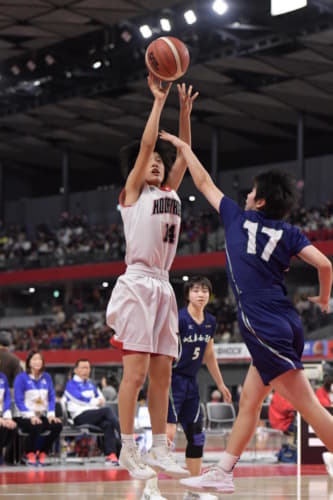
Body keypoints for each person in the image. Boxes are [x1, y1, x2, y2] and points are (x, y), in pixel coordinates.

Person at [160, 131, 333, 494]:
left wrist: (186, 148)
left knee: (309, 408)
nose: (247, 195)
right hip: (285, 320)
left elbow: (203, 180)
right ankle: (223, 471)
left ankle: (223, 471)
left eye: (252, 191)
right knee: (250, 402)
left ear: (260, 201)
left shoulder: (237, 218)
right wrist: (323, 298)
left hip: (262, 325)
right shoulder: (290, 232)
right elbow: (325, 265)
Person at [106, 74, 198, 481]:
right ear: (139, 170)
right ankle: (128, 448)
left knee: (163, 374)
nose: (157, 162)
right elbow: (147, 146)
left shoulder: (171, 192)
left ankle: (160, 448)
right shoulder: (132, 195)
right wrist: (159, 102)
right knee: (137, 374)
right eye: (151, 162)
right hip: (138, 283)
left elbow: (183, 154)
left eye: (160, 161)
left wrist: (185, 117)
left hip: (164, 285)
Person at [142, 276, 231, 500]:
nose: (200, 294)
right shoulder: (178, 319)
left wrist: (220, 383)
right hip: (172, 380)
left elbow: (209, 354)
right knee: (168, 434)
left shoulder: (210, 321)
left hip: (192, 382)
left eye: (204, 291)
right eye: (196, 290)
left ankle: (194, 491)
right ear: (187, 295)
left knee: (197, 437)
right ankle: (149, 489)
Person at [64, 358, 121, 465]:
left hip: (94, 415)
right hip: (79, 416)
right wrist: (94, 401)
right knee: (107, 411)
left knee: (108, 424)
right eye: (83, 368)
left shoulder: (91, 384)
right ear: (76, 370)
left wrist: (93, 401)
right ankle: (125, 435)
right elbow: (79, 399)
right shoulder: (71, 384)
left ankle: (111, 455)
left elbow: (102, 398)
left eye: (88, 368)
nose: (86, 370)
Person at [14, 350, 62, 466]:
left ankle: (43, 452)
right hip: (23, 416)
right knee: (36, 424)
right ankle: (29, 453)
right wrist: (31, 416)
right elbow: (19, 401)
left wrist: (51, 415)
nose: (37, 362)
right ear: (29, 362)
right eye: (34, 359)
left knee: (57, 426)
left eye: (39, 359)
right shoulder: (21, 378)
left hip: (41, 416)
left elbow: (51, 397)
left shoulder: (47, 377)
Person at [0, 372, 17, 464]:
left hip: (2, 414)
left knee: (12, 428)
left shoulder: (3, 377)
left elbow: (7, 398)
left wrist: (7, 418)